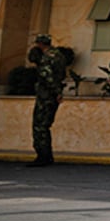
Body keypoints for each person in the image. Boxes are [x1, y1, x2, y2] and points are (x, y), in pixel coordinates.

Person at [29, 33, 67, 167]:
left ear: (40, 44)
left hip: (46, 95)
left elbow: (47, 76)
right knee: (46, 125)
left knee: (40, 126)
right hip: (53, 94)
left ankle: (43, 156)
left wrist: (55, 91)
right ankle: (47, 156)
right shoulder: (60, 56)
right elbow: (62, 74)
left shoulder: (46, 57)